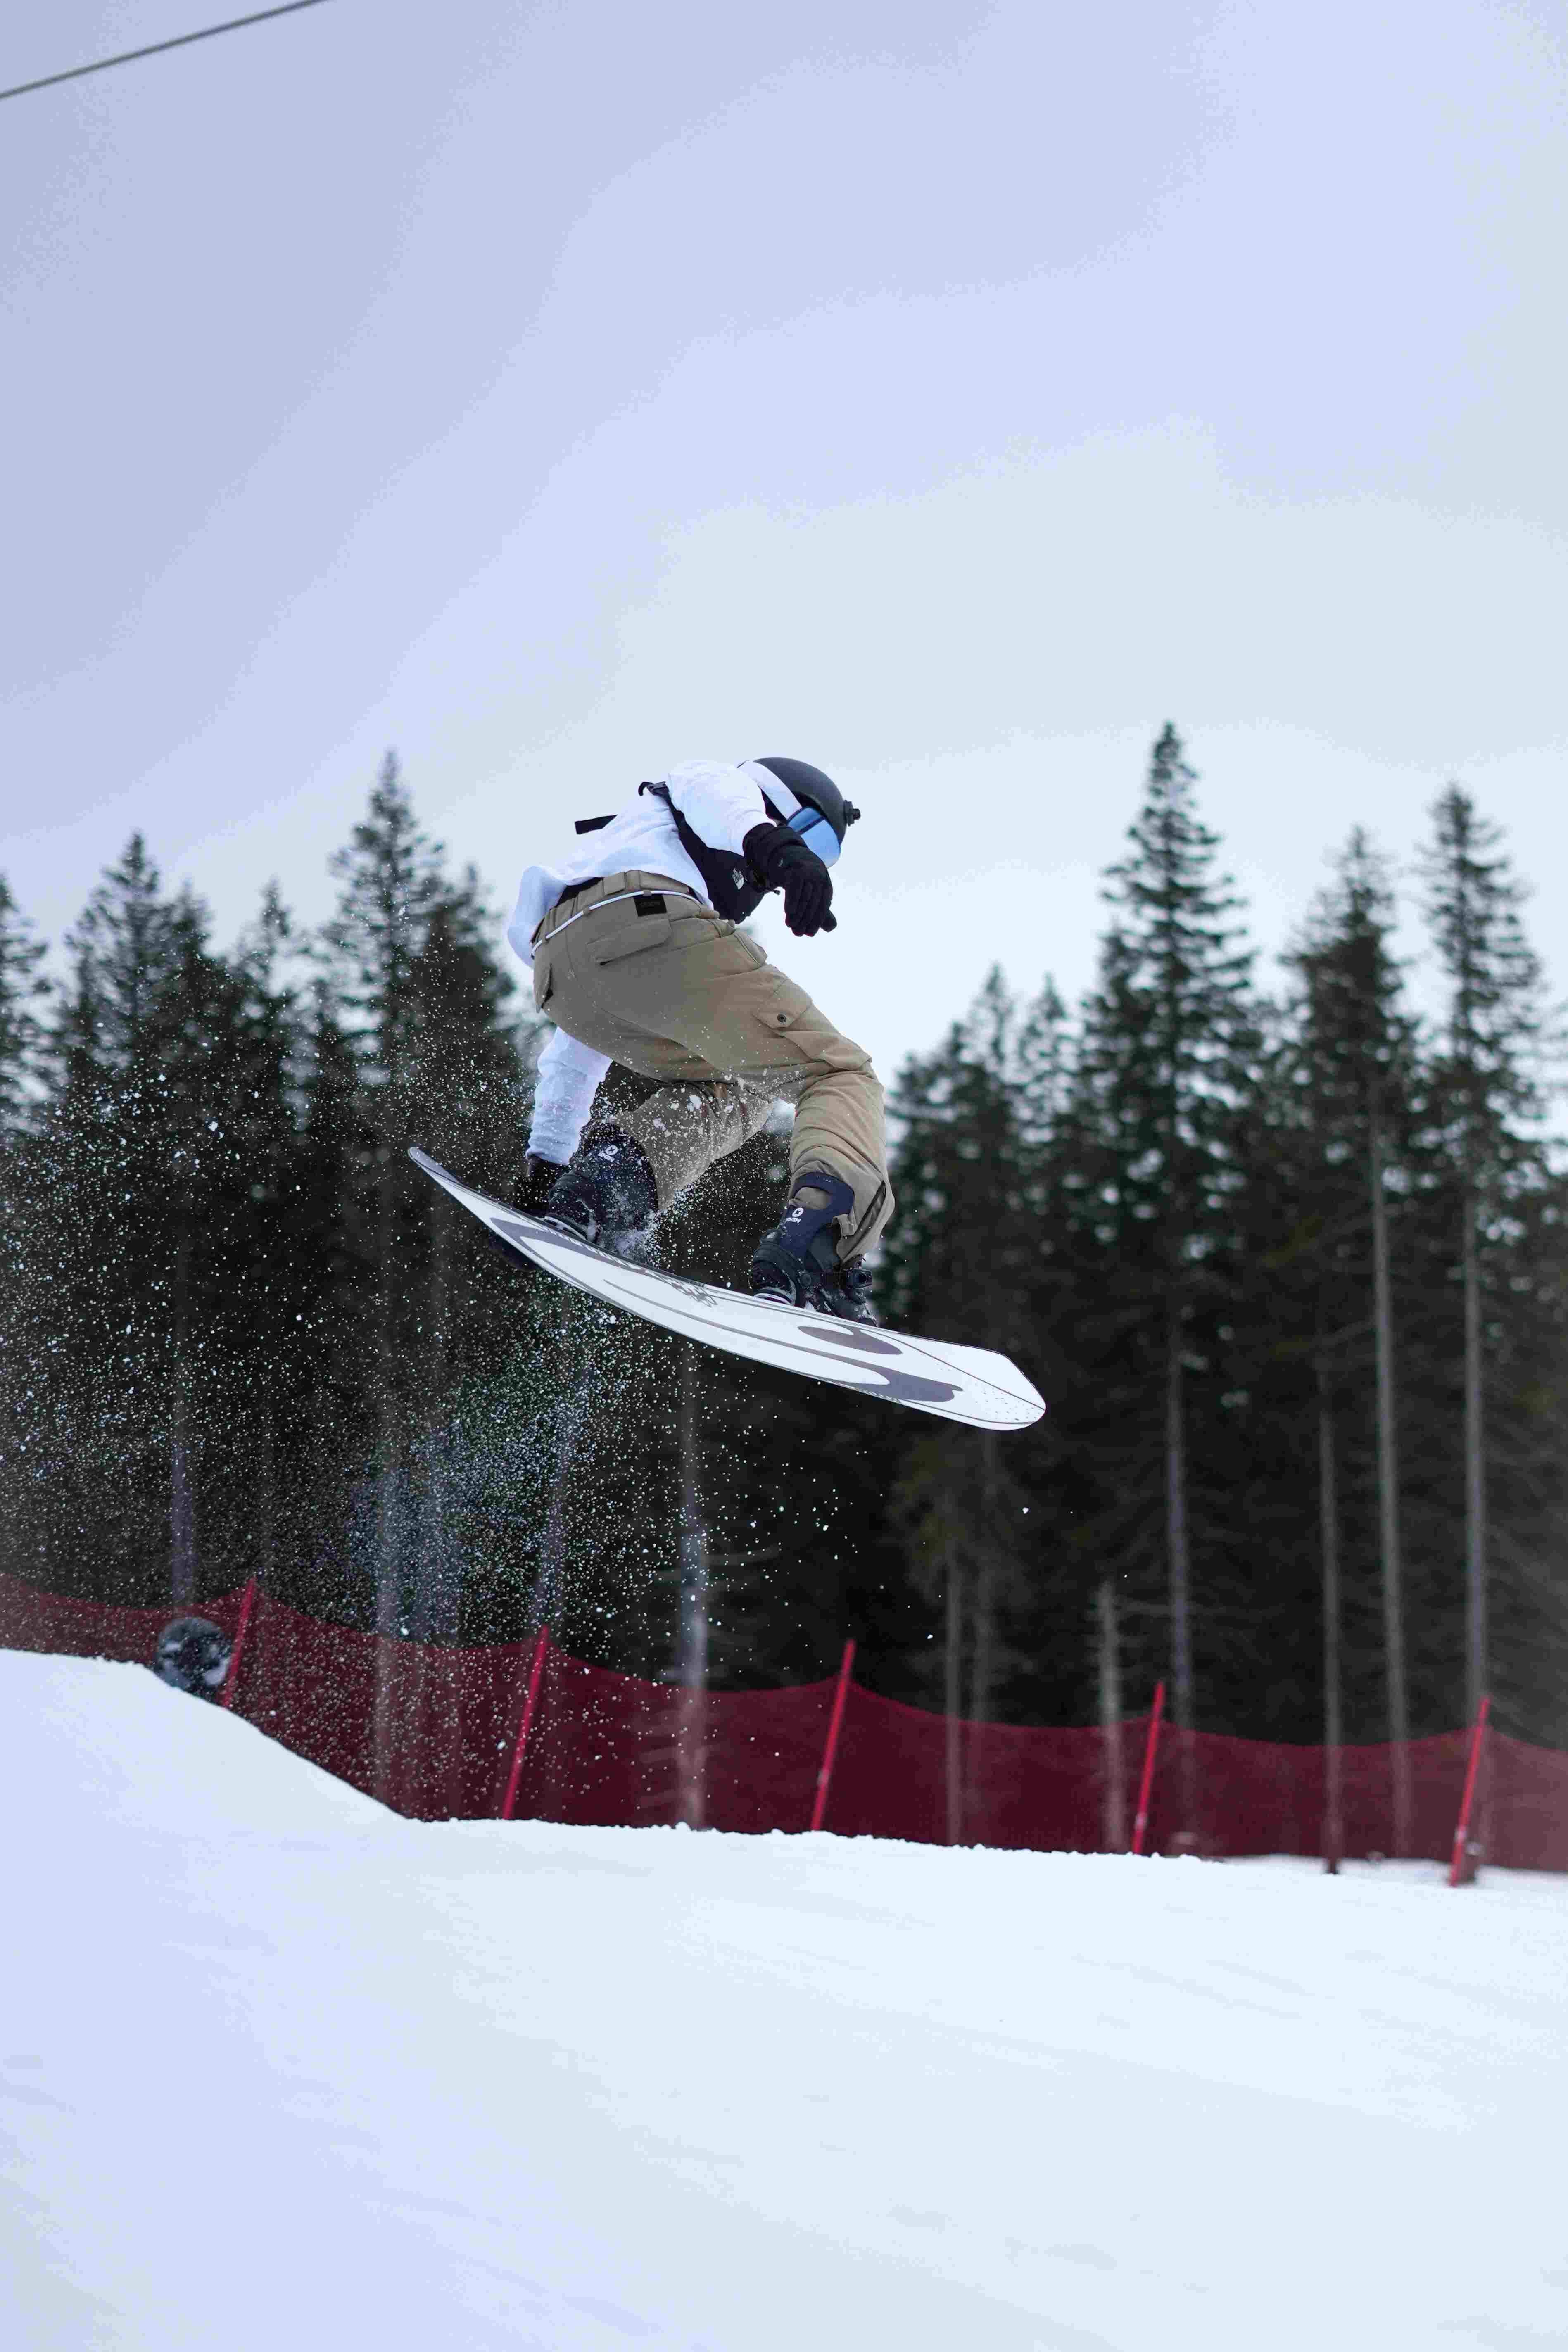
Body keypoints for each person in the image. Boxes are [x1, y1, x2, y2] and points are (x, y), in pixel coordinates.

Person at [506, 757, 893, 1323]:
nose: (811, 857)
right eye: (815, 838)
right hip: (652, 920)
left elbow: (578, 1050)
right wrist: (783, 851)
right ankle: (819, 1245)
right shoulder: (716, 785)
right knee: (837, 1072)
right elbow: (715, 794)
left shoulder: (629, 846)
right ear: (781, 801)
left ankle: (610, 1180)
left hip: (560, 975)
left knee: (743, 1081)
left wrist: (548, 1159)